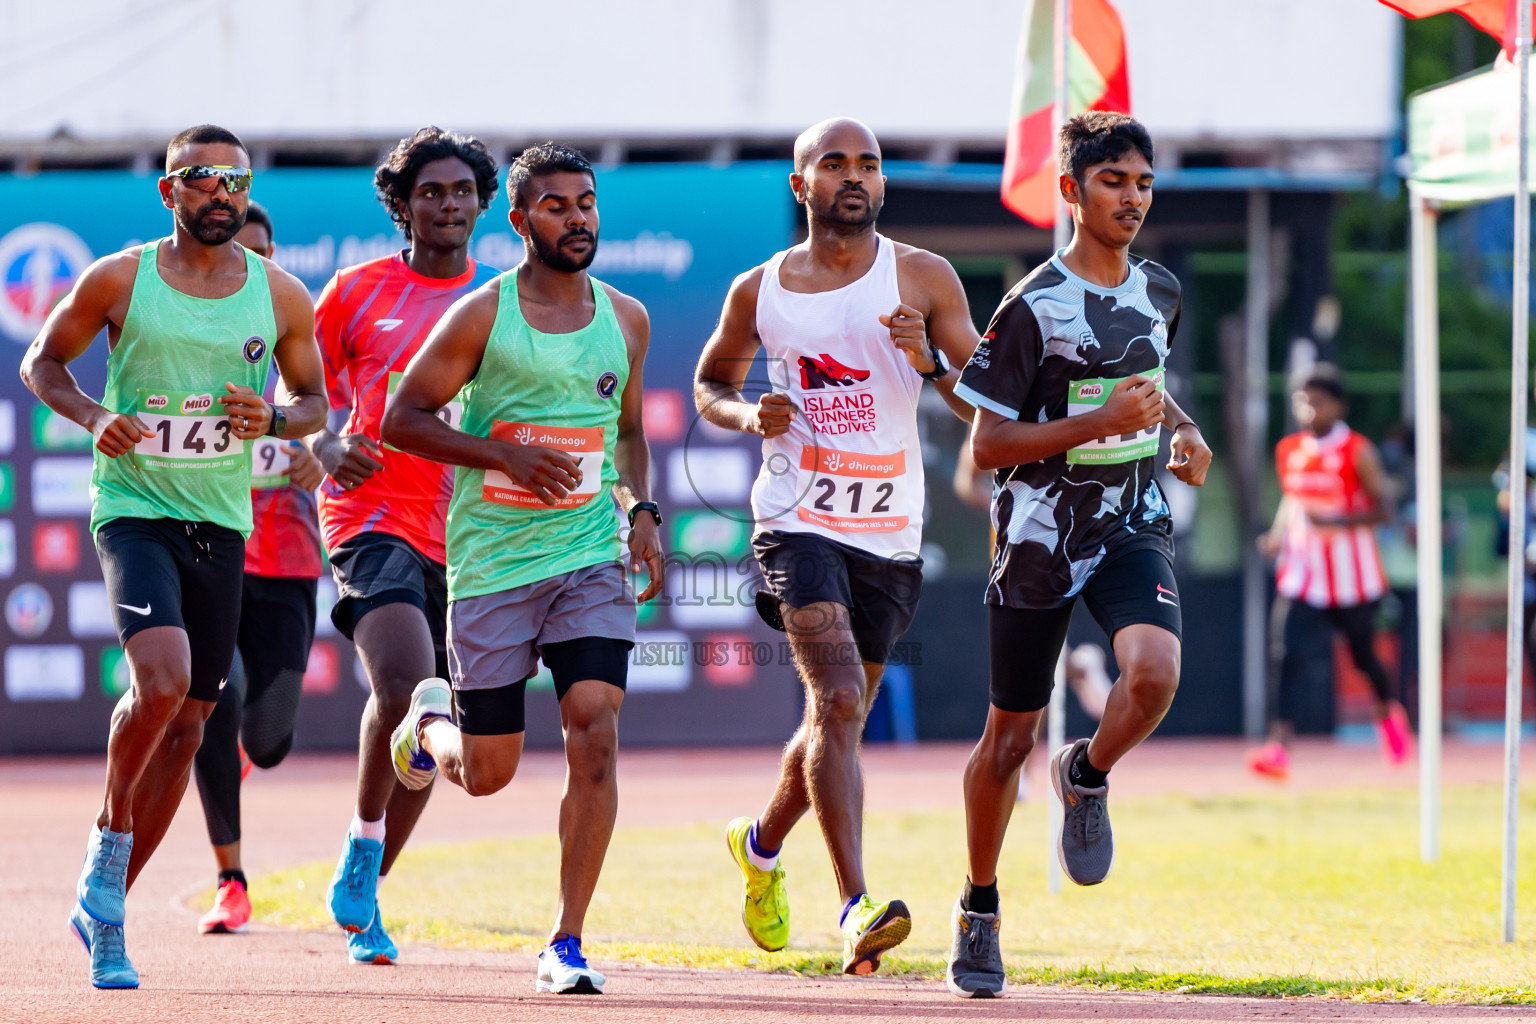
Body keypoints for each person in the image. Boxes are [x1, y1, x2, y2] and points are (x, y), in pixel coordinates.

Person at [20, 125, 328, 988]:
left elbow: (312, 403)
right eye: (202, 179)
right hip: (134, 508)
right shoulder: (120, 277)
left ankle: (104, 896)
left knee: (194, 720)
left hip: (220, 519)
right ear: (169, 192)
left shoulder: (281, 295)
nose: (221, 193)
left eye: (235, 180)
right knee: (161, 681)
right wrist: (92, 417)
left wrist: (273, 420)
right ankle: (109, 869)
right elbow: (44, 363)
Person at [694, 117, 979, 976]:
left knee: (833, 719)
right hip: (795, 520)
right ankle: (855, 906)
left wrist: (930, 364)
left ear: (883, 184)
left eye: (869, 164)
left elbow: (987, 411)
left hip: (889, 534)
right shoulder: (760, 290)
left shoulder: (923, 276)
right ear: (800, 184)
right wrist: (749, 413)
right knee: (842, 701)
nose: (853, 176)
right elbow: (710, 382)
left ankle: (759, 845)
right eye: (833, 163)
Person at [383, 142, 663, 995]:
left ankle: (567, 940)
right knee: (489, 774)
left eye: (586, 204)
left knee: (595, 728)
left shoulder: (627, 317)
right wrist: (500, 454)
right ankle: (429, 726)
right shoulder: (481, 316)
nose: (576, 218)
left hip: (586, 557)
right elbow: (402, 419)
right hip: (495, 565)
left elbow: (627, 433)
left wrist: (643, 512)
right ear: (518, 221)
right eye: (556, 206)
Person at [947, 112, 1212, 998]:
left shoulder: (1162, 290)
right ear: (1071, 190)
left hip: (1132, 521)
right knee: (1008, 738)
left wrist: (1186, 433)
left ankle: (1087, 774)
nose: (1132, 198)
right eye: (1113, 182)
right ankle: (980, 907)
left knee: (1153, 674)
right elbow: (986, 444)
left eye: (1143, 183)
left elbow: (1151, 385)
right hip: (1037, 540)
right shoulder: (1032, 305)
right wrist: (1096, 425)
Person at [311, 127, 501, 965]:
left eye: (462, 190)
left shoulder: (502, 304)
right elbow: (299, 386)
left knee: (439, 721)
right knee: (408, 689)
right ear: (404, 204)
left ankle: (367, 883)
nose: (448, 203)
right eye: (431, 191)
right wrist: (320, 444)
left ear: (483, 203)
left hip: (464, 535)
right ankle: (360, 852)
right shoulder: (356, 291)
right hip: (369, 512)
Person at [190, 202, 328, 935]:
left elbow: (345, 430)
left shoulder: (298, 322)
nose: (250, 265)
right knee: (218, 698)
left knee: (268, 743)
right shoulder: (183, 340)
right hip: (211, 551)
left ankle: (232, 754)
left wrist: (322, 453)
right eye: (239, 251)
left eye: (263, 251)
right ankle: (231, 879)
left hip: (289, 568)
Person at [1251, 368, 1410, 778]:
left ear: (1338, 406)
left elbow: (1385, 510)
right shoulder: (1289, 449)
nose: (1308, 408)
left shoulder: (1358, 451)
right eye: (1302, 399)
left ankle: (1387, 715)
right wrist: (1277, 534)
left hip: (1352, 578)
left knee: (1363, 658)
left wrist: (1338, 524)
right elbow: (1293, 498)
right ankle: (1278, 746)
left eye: (1318, 400)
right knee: (1284, 653)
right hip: (1303, 574)